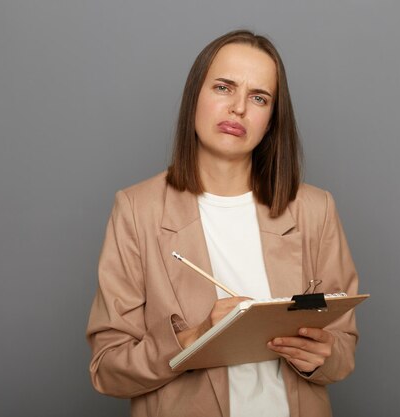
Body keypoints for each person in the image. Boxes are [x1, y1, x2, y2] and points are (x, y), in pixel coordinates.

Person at [86, 29, 360, 417]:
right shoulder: (136, 209)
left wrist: (321, 356)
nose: (238, 109)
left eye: (259, 97)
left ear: (271, 119)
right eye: (223, 87)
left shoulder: (315, 209)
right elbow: (107, 369)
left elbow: (343, 345)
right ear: (194, 94)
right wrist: (194, 339)